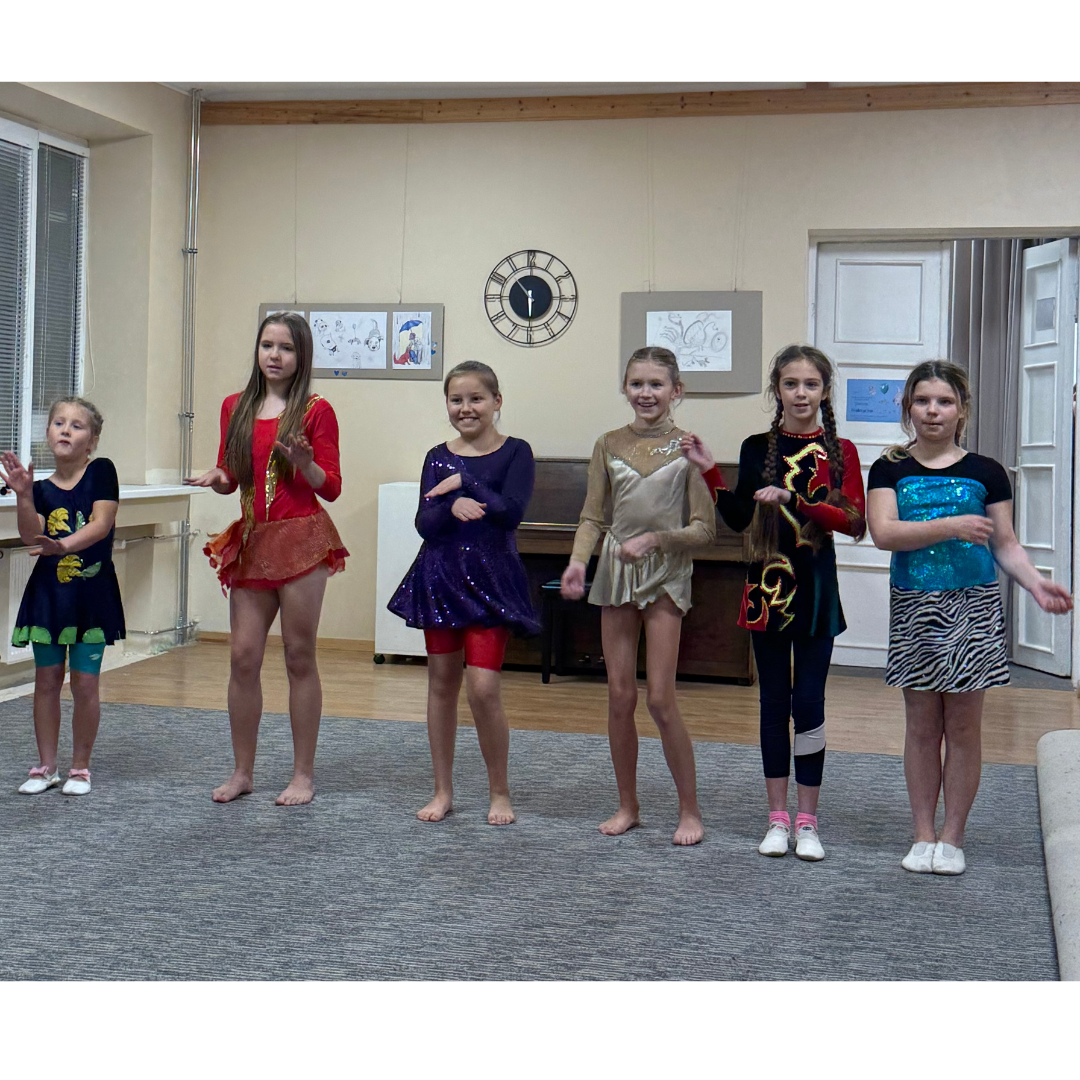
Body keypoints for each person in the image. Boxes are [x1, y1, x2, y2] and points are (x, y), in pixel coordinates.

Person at [866, 360, 1071, 875]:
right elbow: (885, 533)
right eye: (922, 401)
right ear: (908, 407)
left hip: (973, 609)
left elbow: (1006, 544)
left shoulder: (986, 471)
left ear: (962, 410)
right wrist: (952, 525)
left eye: (944, 401)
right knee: (920, 726)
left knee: (962, 727)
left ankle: (952, 837)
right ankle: (922, 834)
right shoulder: (889, 467)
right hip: (915, 607)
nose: (932, 411)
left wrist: (1036, 583)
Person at [681, 344, 865, 861]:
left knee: (809, 703)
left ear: (824, 391)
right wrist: (709, 472)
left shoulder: (841, 450)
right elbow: (740, 519)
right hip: (767, 592)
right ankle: (778, 819)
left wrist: (795, 499)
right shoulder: (756, 446)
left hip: (816, 592)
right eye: (790, 384)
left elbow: (854, 523)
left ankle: (808, 821)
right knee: (773, 704)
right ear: (777, 390)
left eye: (811, 384)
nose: (800, 393)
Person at [185, 312, 348, 806]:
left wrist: (306, 465)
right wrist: (217, 478)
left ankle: (303, 775)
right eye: (267, 345)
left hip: (301, 541)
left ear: (302, 356)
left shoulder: (316, 410)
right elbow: (232, 475)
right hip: (254, 541)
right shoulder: (234, 407)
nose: (275, 355)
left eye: (286, 348)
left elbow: (331, 487)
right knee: (242, 657)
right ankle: (243, 772)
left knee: (299, 655)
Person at [561, 346, 714, 845]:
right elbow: (592, 517)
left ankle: (689, 810)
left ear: (676, 391)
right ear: (625, 388)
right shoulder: (607, 443)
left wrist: (655, 540)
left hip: (666, 573)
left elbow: (704, 530)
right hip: (617, 571)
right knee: (619, 695)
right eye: (636, 384)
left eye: (656, 384)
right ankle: (628, 805)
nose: (645, 393)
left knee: (661, 698)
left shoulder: (688, 449)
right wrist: (578, 562)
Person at [389, 361, 539, 825]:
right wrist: (451, 503)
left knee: (483, 688)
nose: (466, 408)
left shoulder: (516, 452)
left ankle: (500, 791)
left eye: (476, 398)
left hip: (492, 582)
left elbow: (510, 513)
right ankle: (442, 790)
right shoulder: (437, 456)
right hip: (442, 579)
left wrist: (465, 483)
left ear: (497, 401)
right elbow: (424, 523)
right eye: (457, 400)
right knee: (441, 684)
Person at [2, 398, 124, 796]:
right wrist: (23, 496)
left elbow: (102, 523)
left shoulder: (102, 472)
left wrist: (63, 546)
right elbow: (30, 534)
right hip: (50, 598)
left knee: (85, 683)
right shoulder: (39, 488)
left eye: (77, 425)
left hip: (91, 597)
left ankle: (80, 767)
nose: (66, 429)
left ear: (93, 440)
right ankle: (46, 767)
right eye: (59, 422)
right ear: (48, 433)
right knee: (46, 680)